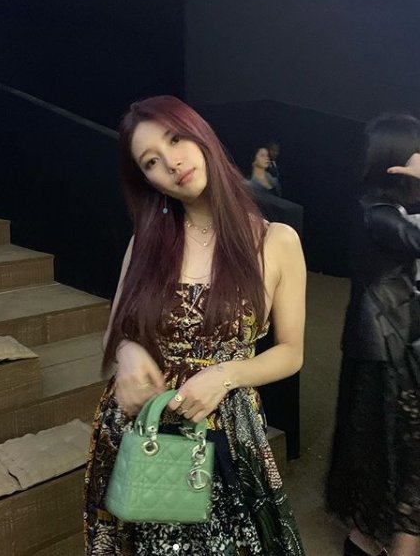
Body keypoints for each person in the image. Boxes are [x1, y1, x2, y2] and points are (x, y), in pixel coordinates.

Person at [84, 95, 306, 556]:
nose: (172, 163)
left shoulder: (276, 241)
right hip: (140, 431)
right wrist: (127, 352)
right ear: (146, 180)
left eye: (175, 139)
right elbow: (115, 333)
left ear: (200, 134)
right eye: (151, 162)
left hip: (223, 430)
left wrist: (224, 375)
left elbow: (291, 351)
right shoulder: (145, 244)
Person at [325, 114, 420, 556]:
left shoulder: (387, 211)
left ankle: (373, 538)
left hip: (396, 343)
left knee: (394, 453)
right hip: (387, 351)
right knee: (392, 451)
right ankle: (370, 540)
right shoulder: (376, 214)